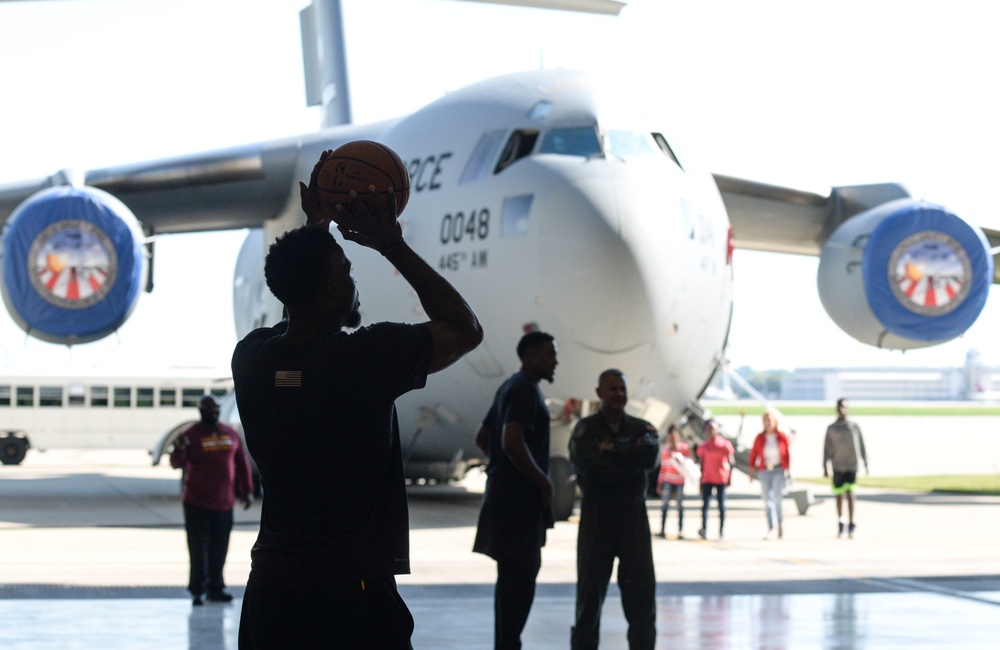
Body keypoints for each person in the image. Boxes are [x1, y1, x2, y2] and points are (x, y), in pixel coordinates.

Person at [232, 149, 484, 649]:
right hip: (351, 592)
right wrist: (392, 245)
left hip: (273, 591)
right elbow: (464, 328)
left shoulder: (253, 360)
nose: (353, 281)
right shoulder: (366, 360)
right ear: (330, 288)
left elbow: (296, 302)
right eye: (346, 273)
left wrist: (314, 229)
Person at [472, 330, 558, 650]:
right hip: (518, 507)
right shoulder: (524, 391)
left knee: (510, 584)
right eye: (550, 354)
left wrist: (503, 472)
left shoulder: (508, 386)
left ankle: (506, 644)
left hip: (505, 501)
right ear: (531, 356)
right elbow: (510, 441)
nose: (555, 361)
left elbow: (484, 437)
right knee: (519, 583)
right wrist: (542, 480)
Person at [568, 369, 658, 650]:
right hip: (598, 521)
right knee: (588, 601)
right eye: (612, 389)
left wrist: (609, 453)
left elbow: (649, 457)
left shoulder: (643, 429)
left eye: (622, 389)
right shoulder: (586, 429)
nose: (618, 394)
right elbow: (590, 467)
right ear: (599, 393)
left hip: (633, 522)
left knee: (642, 602)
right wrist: (628, 458)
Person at [169, 394, 254, 606]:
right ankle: (198, 590)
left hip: (224, 503)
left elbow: (241, 463)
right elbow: (176, 463)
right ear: (200, 411)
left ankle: (216, 588)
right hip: (197, 503)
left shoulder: (230, 434)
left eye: (216, 409)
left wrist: (247, 490)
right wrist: (178, 448)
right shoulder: (190, 434)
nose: (213, 413)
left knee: (219, 548)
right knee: (198, 549)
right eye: (209, 409)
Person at [824, 398, 869, 539]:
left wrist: (866, 463)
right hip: (837, 465)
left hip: (852, 465)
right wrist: (824, 465)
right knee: (839, 495)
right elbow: (826, 448)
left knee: (850, 495)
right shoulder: (831, 428)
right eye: (840, 407)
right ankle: (840, 522)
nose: (842, 409)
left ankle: (851, 524)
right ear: (836, 409)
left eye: (845, 407)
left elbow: (861, 445)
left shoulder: (854, 426)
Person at [748, 410, 792, 540]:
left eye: (769, 420)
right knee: (767, 500)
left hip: (779, 471)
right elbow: (754, 454)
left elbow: (787, 455)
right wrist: (751, 470)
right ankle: (771, 527)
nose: (767, 423)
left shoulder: (781, 436)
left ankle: (780, 524)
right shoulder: (760, 437)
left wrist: (788, 470)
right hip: (764, 471)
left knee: (777, 498)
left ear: (775, 422)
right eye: (765, 420)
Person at [696, 419, 734, 540]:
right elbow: (701, 466)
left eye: (714, 429)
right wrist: (700, 482)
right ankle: (704, 528)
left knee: (721, 505)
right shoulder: (704, 446)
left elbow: (731, 462)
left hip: (721, 478)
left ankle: (721, 530)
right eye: (710, 429)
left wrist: (730, 477)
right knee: (705, 505)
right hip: (707, 478)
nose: (712, 432)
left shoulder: (724, 444)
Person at [656, 423, 691, 539]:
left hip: (679, 482)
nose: (672, 440)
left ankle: (680, 530)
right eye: (670, 438)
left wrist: (678, 456)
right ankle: (662, 529)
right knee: (664, 506)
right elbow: (663, 468)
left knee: (680, 506)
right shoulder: (665, 450)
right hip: (667, 481)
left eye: (674, 437)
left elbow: (689, 464)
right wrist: (659, 483)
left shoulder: (684, 448)